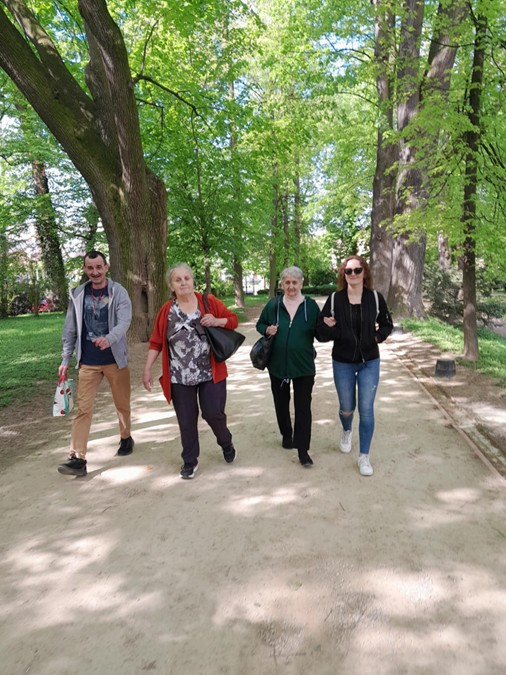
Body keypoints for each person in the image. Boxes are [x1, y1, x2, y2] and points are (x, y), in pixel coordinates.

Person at [142, 263, 239, 479]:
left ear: (193, 280)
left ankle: (226, 441)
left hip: (210, 372)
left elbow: (233, 321)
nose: (183, 282)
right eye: (178, 280)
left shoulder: (208, 302)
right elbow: (156, 342)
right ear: (171, 286)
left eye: (187, 278)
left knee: (213, 413)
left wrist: (217, 320)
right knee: (186, 421)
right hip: (179, 375)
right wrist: (147, 369)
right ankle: (189, 461)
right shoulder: (167, 311)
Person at [57, 250, 134, 477]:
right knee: (84, 409)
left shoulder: (118, 291)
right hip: (88, 362)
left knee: (122, 404)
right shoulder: (78, 294)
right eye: (90, 268)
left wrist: (109, 338)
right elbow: (70, 329)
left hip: (115, 360)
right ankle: (77, 458)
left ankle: (126, 437)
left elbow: (125, 321)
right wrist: (65, 359)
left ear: (106, 267)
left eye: (99, 267)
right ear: (85, 269)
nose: (95, 272)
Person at [317, 255, 393, 476]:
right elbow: (319, 333)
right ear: (343, 274)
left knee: (366, 409)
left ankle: (364, 456)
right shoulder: (335, 300)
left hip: (369, 361)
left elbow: (387, 325)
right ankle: (346, 430)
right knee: (347, 407)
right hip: (343, 362)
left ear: (364, 272)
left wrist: (376, 338)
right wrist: (330, 328)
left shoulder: (375, 298)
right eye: (348, 271)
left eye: (357, 270)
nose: (352, 274)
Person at [256, 266, 321, 467]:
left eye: (295, 282)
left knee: (303, 407)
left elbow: (320, 334)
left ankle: (303, 450)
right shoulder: (274, 304)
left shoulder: (311, 306)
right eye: (287, 282)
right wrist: (267, 329)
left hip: (303, 365)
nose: (291, 286)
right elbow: (260, 324)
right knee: (281, 402)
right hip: (278, 365)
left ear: (301, 283)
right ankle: (286, 434)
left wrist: (329, 325)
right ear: (282, 284)